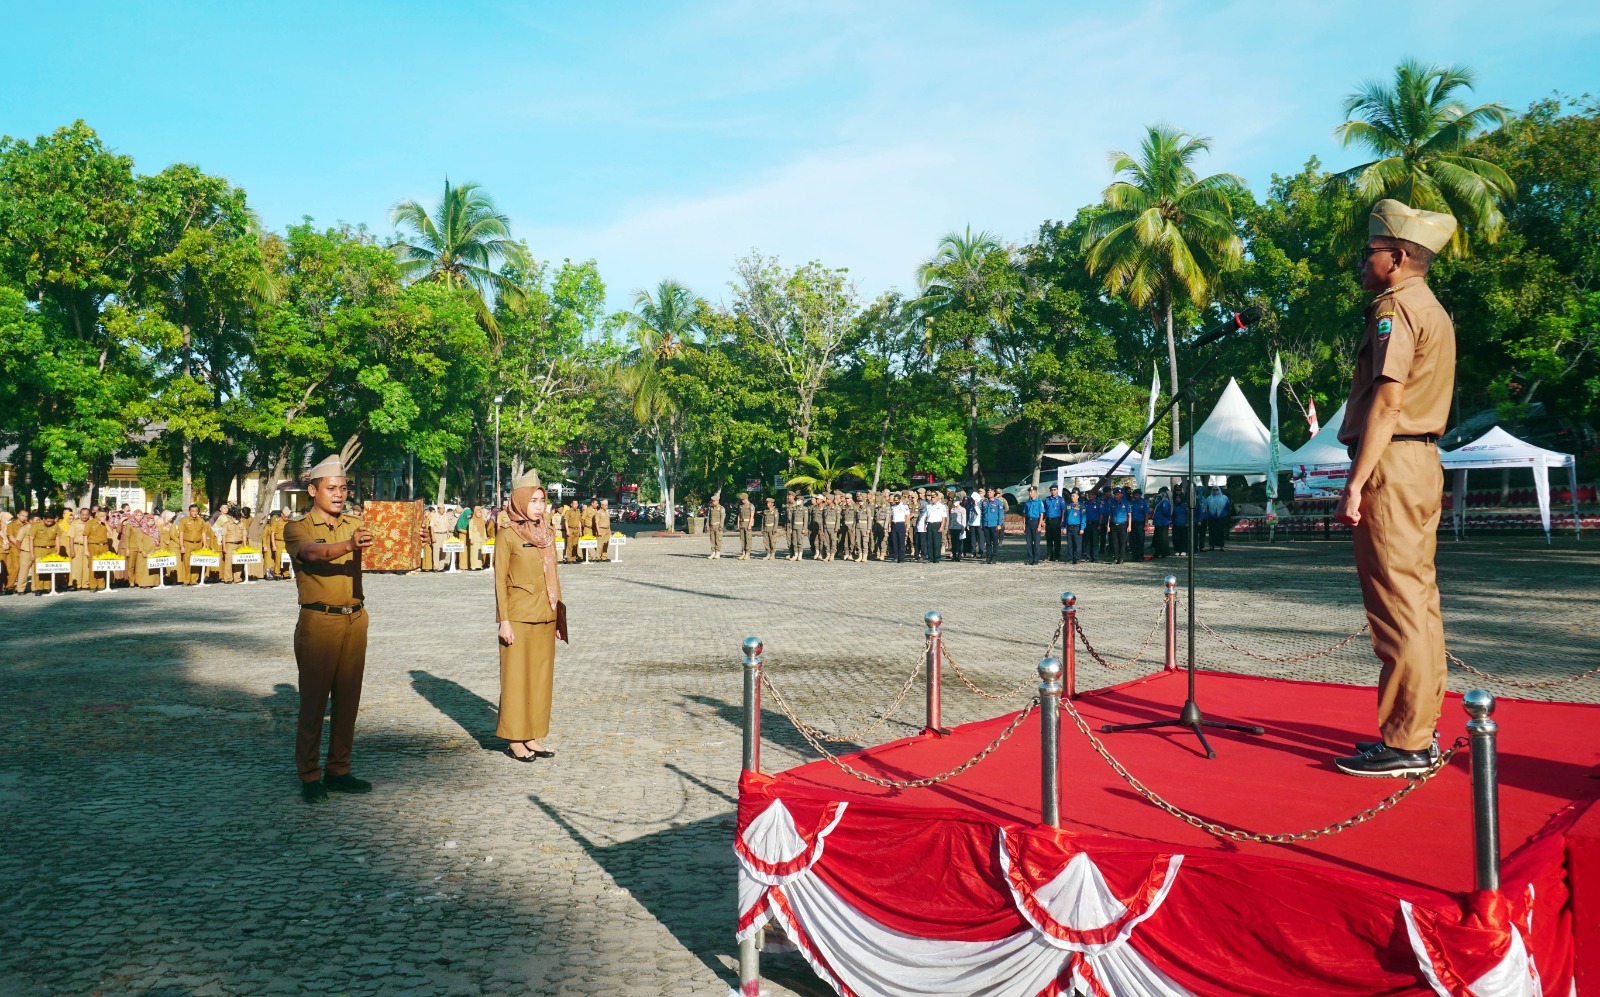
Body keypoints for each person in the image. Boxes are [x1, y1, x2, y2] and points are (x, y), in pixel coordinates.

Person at [1332, 200, 1458, 778]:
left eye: (1370, 253)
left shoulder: (1396, 310)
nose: (1363, 262)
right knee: (1419, 604)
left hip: (1393, 462)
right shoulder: (1431, 308)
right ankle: (1417, 732)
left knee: (1397, 607)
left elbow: (1388, 400)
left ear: (1399, 257)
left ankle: (1407, 743)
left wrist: (1357, 481)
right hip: (1419, 462)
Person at [283, 454, 376, 804]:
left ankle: (339, 769)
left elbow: (384, 548)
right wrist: (350, 545)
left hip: (355, 617)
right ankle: (309, 775)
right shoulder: (298, 527)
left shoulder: (355, 522)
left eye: (344, 488)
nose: (339, 494)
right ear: (313, 490)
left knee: (349, 699)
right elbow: (312, 554)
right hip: (319, 620)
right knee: (313, 702)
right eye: (332, 488)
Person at [495, 472, 564, 763]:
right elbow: (499, 580)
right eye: (533, 501)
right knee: (516, 679)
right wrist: (504, 620)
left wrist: (559, 618)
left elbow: (554, 577)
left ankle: (532, 734)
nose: (539, 506)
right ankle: (515, 738)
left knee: (540, 679)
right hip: (519, 617)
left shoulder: (546, 533)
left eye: (542, 500)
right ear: (520, 501)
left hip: (546, 615)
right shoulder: (507, 534)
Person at [1205, 486, 1233, 551]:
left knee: (1221, 531)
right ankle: (1212, 546)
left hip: (1221, 517)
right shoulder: (1209, 498)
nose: (1215, 491)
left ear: (1219, 490)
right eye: (1214, 490)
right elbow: (1206, 507)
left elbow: (1228, 506)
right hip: (1211, 517)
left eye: (1217, 490)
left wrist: (1225, 513)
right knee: (1212, 531)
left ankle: (1221, 546)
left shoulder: (1224, 498)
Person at [923, 491, 947, 563]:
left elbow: (943, 518)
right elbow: (926, 517)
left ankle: (937, 558)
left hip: (937, 524)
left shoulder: (941, 506)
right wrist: (925, 525)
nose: (932, 499)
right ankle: (930, 557)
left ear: (937, 498)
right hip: (930, 524)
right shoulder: (928, 506)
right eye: (931, 497)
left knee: (936, 542)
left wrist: (942, 527)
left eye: (933, 497)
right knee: (929, 542)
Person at [1109, 487, 1131, 565]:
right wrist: (1108, 525)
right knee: (1115, 542)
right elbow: (1110, 515)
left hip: (1123, 524)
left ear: (1121, 495)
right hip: (1114, 525)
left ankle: (1121, 558)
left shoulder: (1126, 503)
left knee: (1122, 542)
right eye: (1115, 494)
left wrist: (1129, 526)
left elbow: (1129, 515)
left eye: (1118, 494)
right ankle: (1115, 558)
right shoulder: (1112, 503)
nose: (1116, 496)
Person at [1022, 487, 1043, 565]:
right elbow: (1024, 514)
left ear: (1035, 492)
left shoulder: (1039, 502)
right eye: (1029, 492)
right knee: (1029, 543)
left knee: (1036, 543)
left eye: (1031, 492)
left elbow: (1041, 514)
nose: (1030, 493)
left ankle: (1036, 559)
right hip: (1028, 522)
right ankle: (1030, 559)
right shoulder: (1027, 502)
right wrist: (1024, 525)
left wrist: (1039, 525)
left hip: (1036, 521)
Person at [981, 489, 1004, 564]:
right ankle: (988, 556)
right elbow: (982, 514)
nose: (989, 493)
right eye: (988, 492)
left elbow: (1000, 514)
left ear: (994, 493)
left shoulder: (997, 502)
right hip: (986, 524)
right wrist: (982, 524)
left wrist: (999, 524)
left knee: (994, 541)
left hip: (994, 524)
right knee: (987, 542)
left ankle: (994, 556)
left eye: (990, 492)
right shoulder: (984, 502)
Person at [1043, 484, 1064, 562]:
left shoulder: (1061, 500)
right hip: (1049, 520)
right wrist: (1042, 520)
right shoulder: (1047, 499)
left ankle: (1057, 555)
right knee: (1049, 539)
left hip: (1056, 520)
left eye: (1054, 490)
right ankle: (1049, 555)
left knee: (1057, 539)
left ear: (1057, 490)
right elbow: (1044, 511)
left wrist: (1062, 521)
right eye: (1051, 490)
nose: (1053, 491)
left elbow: (1063, 511)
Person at [1065, 489, 1085, 564]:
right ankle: (1070, 558)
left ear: (1077, 497)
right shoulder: (1068, 506)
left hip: (1077, 527)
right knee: (1070, 543)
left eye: (1074, 496)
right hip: (1069, 527)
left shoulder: (1081, 506)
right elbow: (1066, 517)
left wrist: (1082, 528)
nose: (1072, 497)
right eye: (1071, 496)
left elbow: (1083, 518)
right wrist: (1064, 527)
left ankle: (1077, 558)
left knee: (1077, 544)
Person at [1152, 487, 1173, 559]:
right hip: (1161, 521)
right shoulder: (1163, 500)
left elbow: (1165, 511)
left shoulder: (1162, 501)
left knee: (1162, 538)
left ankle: (1161, 552)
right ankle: (1161, 552)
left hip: (1161, 521)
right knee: (1161, 538)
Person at [786, 493, 808, 561]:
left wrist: (804, 528)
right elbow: (792, 519)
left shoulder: (804, 509)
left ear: (802, 501)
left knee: (800, 541)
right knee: (794, 541)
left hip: (800, 527)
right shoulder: (794, 509)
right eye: (797, 500)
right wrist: (791, 528)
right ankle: (795, 554)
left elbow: (806, 519)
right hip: (794, 527)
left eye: (799, 500)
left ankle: (800, 555)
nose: (798, 501)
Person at [888, 492, 908, 563]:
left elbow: (907, 516)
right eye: (895, 501)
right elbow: (892, 516)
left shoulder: (904, 506)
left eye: (897, 501)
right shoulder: (893, 507)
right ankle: (895, 556)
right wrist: (890, 525)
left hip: (901, 524)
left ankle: (901, 557)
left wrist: (905, 524)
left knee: (901, 542)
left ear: (900, 500)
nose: (896, 502)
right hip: (894, 524)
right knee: (895, 541)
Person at [1130, 489, 1150, 561]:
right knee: (1132, 540)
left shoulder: (1144, 502)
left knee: (1140, 540)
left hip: (1140, 523)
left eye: (1137, 495)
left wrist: (1146, 524)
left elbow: (1146, 514)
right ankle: (1134, 555)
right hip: (1132, 523)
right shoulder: (1131, 502)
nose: (1135, 496)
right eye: (1134, 495)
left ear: (1140, 495)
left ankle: (1140, 556)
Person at [735, 492, 756, 560]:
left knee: (748, 539)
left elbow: (752, 516)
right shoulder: (741, 506)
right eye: (741, 500)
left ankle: (748, 553)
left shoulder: (751, 506)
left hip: (747, 523)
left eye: (743, 499)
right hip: (742, 523)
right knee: (742, 539)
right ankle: (743, 552)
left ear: (746, 498)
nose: (742, 501)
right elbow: (739, 515)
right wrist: (738, 523)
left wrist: (750, 525)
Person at [949, 491, 967, 562]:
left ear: (959, 501)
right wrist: (949, 527)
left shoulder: (962, 509)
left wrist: (963, 528)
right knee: (953, 543)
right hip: (953, 527)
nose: (955, 502)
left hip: (959, 528)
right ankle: (954, 555)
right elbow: (950, 519)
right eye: (954, 501)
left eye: (956, 501)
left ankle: (959, 555)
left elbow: (964, 519)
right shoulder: (952, 509)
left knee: (960, 542)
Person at [706, 495, 725, 559]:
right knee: (712, 539)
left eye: (714, 501)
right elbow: (709, 517)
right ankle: (713, 552)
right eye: (712, 501)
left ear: (717, 501)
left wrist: (721, 526)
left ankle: (718, 552)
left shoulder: (721, 508)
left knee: (718, 539)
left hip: (717, 526)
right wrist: (707, 525)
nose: (713, 502)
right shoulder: (711, 508)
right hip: (712, 526)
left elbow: (722, 518)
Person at [1173, 488, 1190, 556]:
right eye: (1176, 498)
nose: (1177, 499)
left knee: (1183, 538)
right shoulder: (1174, 506)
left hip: (1183, 524)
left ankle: (1184, 550)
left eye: (1178, 498)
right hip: (1176, 524)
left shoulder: (1185, 506)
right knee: (1176, 538)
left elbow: (1188, 514)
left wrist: (1187, 522)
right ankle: (1177, 549)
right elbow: (1173, 515)